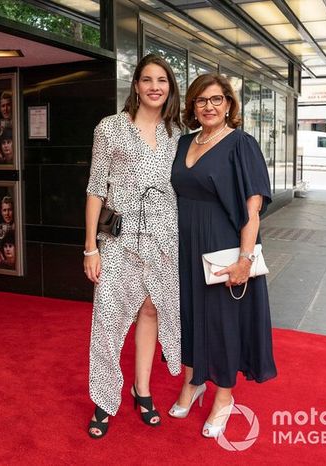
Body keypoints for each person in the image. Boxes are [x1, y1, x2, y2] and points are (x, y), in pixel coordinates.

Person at [169, 73, 277, 438]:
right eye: (201, 100)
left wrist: (245, 259)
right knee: (187, 317)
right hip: (184, 246)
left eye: (216, 100)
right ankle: (194, 380)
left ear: (229, 104)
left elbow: (253, 207)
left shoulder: (241, 144)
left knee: (222, 321)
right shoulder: (184, 142)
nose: (209, 107)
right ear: (192, 107)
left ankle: (224, 396)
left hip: (223, 246)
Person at [83, 54, 182, 439]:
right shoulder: (109, 128)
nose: (155, 86)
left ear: (169, 87)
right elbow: (95, 188)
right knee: (106, 320)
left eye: (162, 80)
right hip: (118, 241)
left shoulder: (179, 133)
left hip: (164, 239)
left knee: (151, 312)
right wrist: (90, 246)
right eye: (147, 79)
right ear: (136, 86)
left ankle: (143, 390)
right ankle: (105, 399)